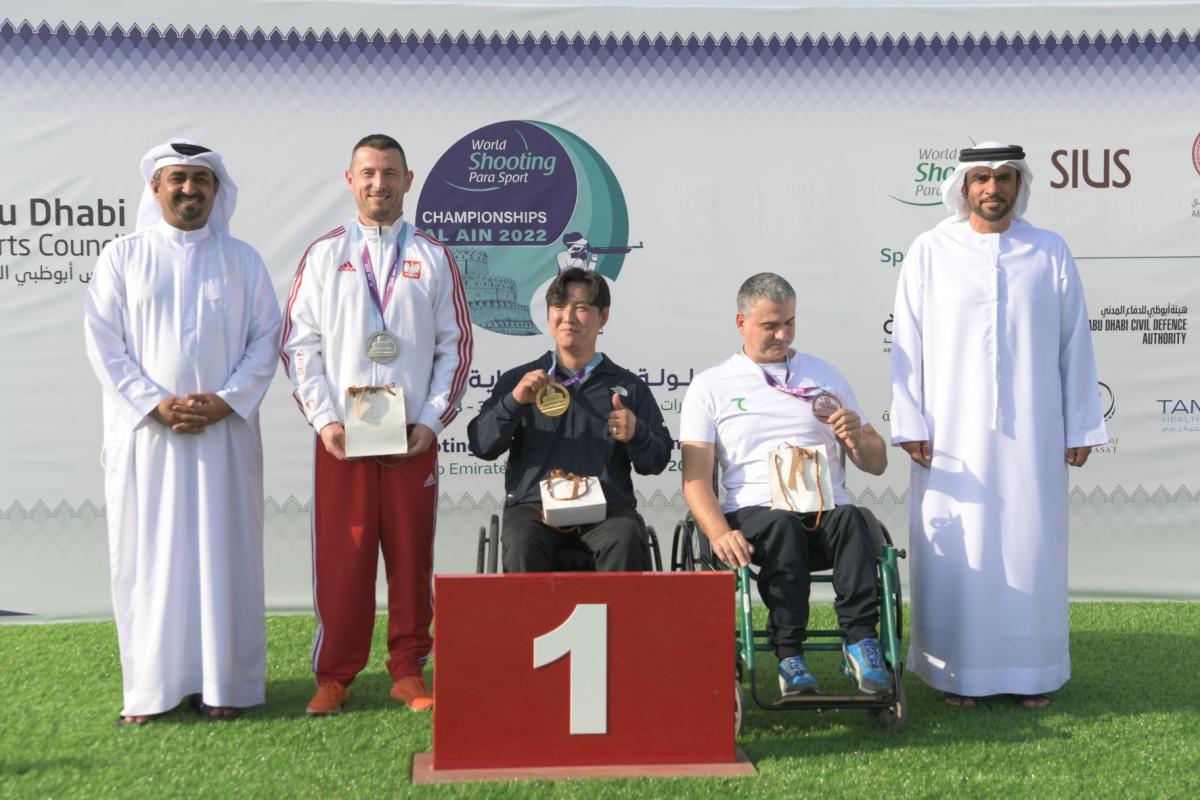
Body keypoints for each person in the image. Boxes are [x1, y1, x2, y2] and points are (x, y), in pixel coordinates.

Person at [889, 142, 1107, 709]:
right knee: (961, 549)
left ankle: (1033, 672)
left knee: (1030, 544)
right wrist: (909, 419)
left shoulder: (1049, 251)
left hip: (1033, 437)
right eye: (982, 177)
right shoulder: (930, 251)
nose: (993, 188)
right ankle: (954, 674)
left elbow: (1074, 344)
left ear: (1019, 184)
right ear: (963, 186)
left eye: (1005, 178)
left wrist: (1081, 424)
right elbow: (906, 343)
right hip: (949, 438)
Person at [84, 139, 281, 726]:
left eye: (200, 180)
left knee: (226, 559)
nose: (189, 190)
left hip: (224, 439)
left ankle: (227, 686)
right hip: (149, 440)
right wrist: (155, 404)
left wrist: (225, 402)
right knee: (150, 561)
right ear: (155, 188)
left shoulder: (243, 260)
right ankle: (150, 690)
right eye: (178, 180)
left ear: (216, 191)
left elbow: (265, 341)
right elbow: (104, 344)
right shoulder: (122, 257)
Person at [280, 134, 472, 715]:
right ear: (349, 179)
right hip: (342, 440)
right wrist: (323, 420)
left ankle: (409, 669)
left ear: (408, 181)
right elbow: (299, 345)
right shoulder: (323, 254)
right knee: (345, 557)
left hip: (412, 436)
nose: (378, 184)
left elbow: (454, 346)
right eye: (367, 172)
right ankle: (335, 675)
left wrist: (432, 421)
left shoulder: (434, 255)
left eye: (390, 173)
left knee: (412, 556)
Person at [680, 272, 891, 697]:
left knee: (855, 519)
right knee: (781, 525)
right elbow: (695, 479)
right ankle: (790, 654)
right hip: (757, 515)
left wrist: (857, 438)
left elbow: (877, 463)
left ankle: (861, 642)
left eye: (789, 323)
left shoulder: (825, 374)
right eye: (770, 325)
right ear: (741, 323)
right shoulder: (711, 385)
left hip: (825, 511)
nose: (782, 334)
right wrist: (718, 533)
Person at [467, 268, 671, 572]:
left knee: (626, 536)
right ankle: (533, 623)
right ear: (549, 315)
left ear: (603, 317)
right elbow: (481, 445)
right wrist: (513, 403)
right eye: (559, 307)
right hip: (534, 508)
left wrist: (636, 432)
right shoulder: (520, 381)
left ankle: (618, 621)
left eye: (581, 308)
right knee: (521, 541)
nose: (568, 317)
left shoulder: (628, 387)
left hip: (607, 510)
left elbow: (656, 461)